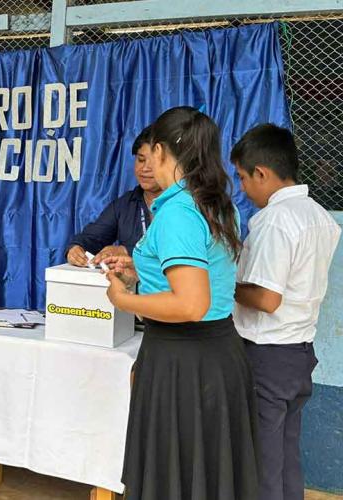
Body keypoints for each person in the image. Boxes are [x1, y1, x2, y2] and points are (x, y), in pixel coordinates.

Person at [102, 107, 259, 499]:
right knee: (205, 477)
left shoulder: (178, 213)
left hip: (182, 361)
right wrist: (143, 272)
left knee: (175, 478)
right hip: (218, 353)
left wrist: (124, 298)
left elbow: (191, 303)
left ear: (158, 150)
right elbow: (202, 273)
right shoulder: (217, 204)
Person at [231, 124, 341, 500]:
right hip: (299, 352)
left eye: (244, 178)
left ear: (261, 173)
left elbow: (266, 298)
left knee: (261, 462)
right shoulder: (320, 217)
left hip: (268, 355)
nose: (243, 188)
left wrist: (221, 285)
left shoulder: (275, 220)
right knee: (285, 456)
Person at [66, 126, 160, 266]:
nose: (145, 168)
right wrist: (76, 248)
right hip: (130, 287)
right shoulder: (125, 204)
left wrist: (126, 251)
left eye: (153, 162)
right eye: (141, 160)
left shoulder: (185, 203)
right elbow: (93, 237)